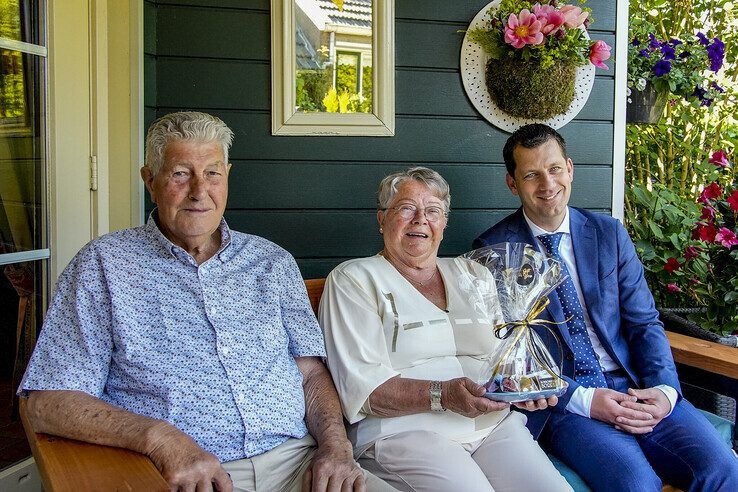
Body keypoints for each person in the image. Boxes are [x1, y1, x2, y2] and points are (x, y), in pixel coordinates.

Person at [19, 111, 394, 492]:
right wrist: (161, 439)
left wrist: (335, 445)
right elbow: (49, 400)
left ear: (227, 176)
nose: (200, 191)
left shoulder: (271, 262)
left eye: (213, 173)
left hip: (299, 462)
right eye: (181, 173)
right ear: (150, 181)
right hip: (183, 473)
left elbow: (311, 374)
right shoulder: (104, 266)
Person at [473, 123, 738, 491]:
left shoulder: (608, 233)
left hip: (635, 385)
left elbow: (645, 323)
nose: (547, 184)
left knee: (722, 467)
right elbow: (510, 353)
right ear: (513, 184)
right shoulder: (495, 251)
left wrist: (663, 390)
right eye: (531, 175)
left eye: (553, 169)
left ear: (570, 168)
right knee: (635, 484)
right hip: (568, 402)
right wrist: (585, 399)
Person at [318, 166, 572, 491]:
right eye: (406, 208)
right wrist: (444, 396)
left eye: (433, 211)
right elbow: (363, 389)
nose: (420, 219)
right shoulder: (356, 279)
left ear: (444, 224)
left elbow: (504, 355)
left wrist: (524, 388)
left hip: (492, 426)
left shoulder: (473, 274)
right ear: (382, 219)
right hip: (405, 432)